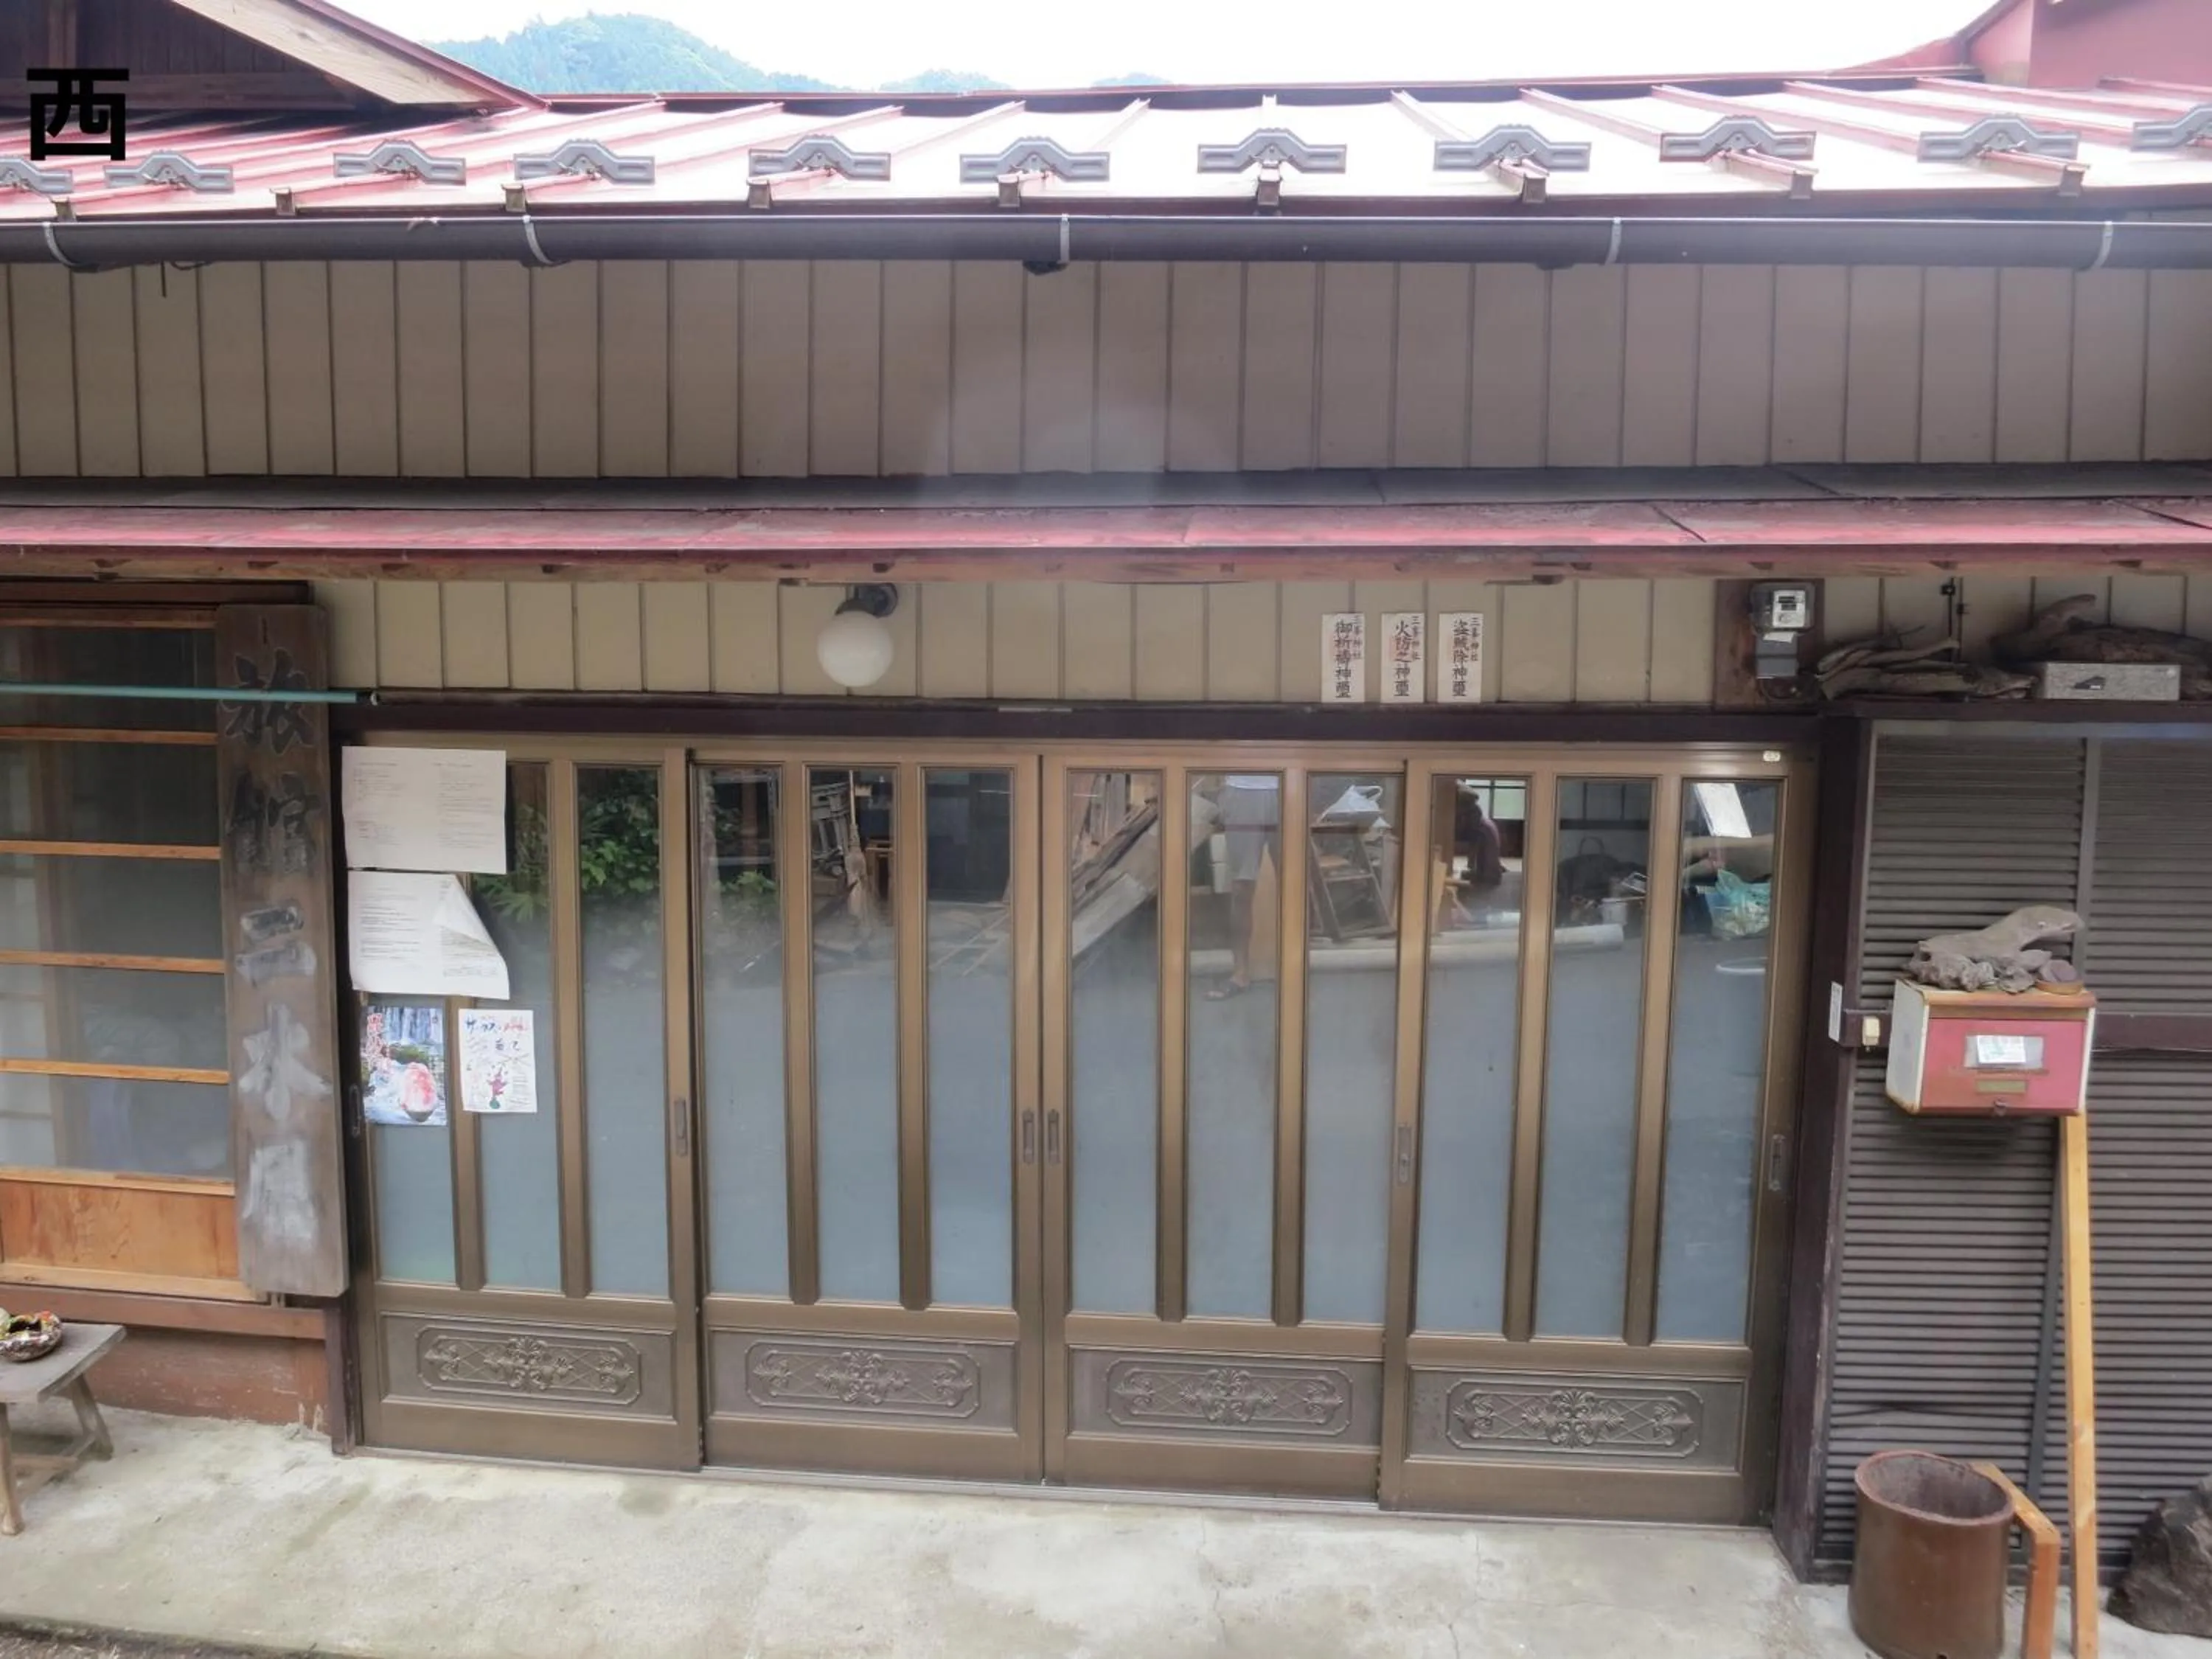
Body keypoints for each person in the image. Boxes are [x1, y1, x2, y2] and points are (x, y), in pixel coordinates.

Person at [1208, 775, 1279, 999]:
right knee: (1242, 887)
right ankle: (1240, 973)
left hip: (1292, 783)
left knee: (1296, 884)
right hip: (1242, 788)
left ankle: (1295, 970)